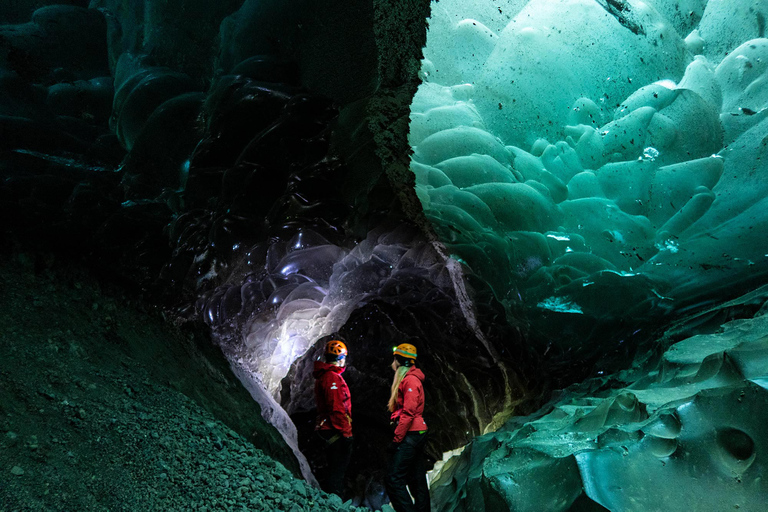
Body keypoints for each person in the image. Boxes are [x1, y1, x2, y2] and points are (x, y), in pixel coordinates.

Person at [385, 342, 430, 512]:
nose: (392, 363)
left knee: (393, 479)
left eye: (394, 359)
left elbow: (409, 413)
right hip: (416, 434)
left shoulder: (410, 380)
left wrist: (397, 440)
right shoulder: (409, 379)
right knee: (416, 478)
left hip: (412, 434)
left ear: (399, 361)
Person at [313, 338, 353, 497]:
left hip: (327, 428)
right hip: (333, 430)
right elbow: (336, 407)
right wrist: (346, 433)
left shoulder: (325, 375)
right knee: (337, 470)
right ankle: (333, 502)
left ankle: (328, 499)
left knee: (333, 468)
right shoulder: (332, 377)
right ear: (341, 358)